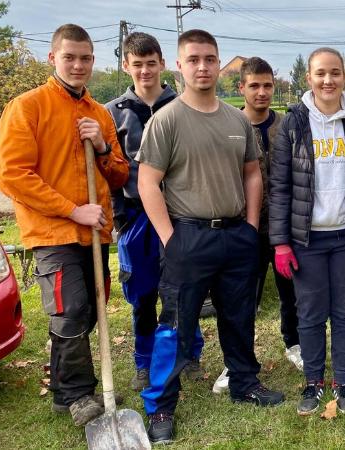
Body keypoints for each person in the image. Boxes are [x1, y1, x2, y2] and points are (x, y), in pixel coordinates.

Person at [137, 30, 284, 444]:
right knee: (175, 324)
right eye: (194, 59)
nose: (203, 67)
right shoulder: (165, 120)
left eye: (210, 59)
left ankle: (244, 382)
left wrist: (251, 226)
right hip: (188, 236)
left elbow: (252, 172)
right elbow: (149, 183)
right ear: (179, 66)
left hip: (236, 235)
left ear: (220, 64)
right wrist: (170, 238)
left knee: (238, 317)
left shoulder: (237, 119)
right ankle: (161, 405)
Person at [0, 24, 128, 426]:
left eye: (85, 58)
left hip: (94, 233)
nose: (78, 65)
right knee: (69, 311)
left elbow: (119, 175)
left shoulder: (99, 113)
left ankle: (66, 387)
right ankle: (76, 394)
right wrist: (72, 210)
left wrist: (103, 147)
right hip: (54, 232)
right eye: (69, 57)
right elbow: (12, 175)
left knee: (89, 311)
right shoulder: (28, 106)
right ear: (53, 58)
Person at [269, 47, 345, 416]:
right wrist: (281, 242)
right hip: (308, 238)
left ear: (344, 77)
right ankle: (314, 381)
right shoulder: (293, 124)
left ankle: (343, 381)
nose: (327, 80)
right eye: (320, 73)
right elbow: (280, 187)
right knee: (311, 312)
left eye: (334, 73)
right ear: (309, 79)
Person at [106, 31, 205, 394]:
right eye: (138, 65)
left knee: (183, 287)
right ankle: (145, 362)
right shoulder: (113, 113)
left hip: (179, 214)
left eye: (151, 63)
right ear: (126, 66)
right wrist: (120, 217)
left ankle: (189, 353)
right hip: (136, 218)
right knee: (144, 294)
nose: (145, 71)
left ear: (162, 63)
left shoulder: (181, 106)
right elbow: (111, 172)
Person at [213, 56, 302, 395]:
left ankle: (294, 344)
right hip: (243, 226)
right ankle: (236, 362)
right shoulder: (230, 127)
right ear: (242, 88)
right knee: (241, 298)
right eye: (254, 86)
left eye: (267, 85)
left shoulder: (287, 125)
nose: (262, 92)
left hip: (283, 227)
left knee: (290, 292)